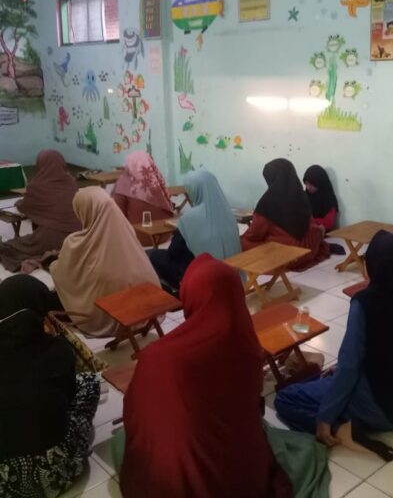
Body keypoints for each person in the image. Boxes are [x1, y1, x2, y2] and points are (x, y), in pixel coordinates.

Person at [120, 254, 294, 497]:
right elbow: (248, 409)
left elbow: (133, 411)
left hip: (168, 482)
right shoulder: (245, 342)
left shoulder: (157, 356)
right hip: (239, 480)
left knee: (124, 443)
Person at [275, 231, 393, 460]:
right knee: (327, 377)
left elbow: (349, 366)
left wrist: (326, 417)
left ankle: (342, 430)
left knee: (286, 397)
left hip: (380, 407)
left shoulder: (366, 303)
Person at [0, 275, 100, 498]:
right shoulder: (57, 349)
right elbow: (69, 394)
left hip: (4, 483)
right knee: (89, 383)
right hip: (55, 474)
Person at [50, 186, 161, 337]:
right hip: (149, 304)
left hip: (107, 315)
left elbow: (63, 275)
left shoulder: (74, 243)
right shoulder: (127, 229)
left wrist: (53, 266)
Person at [148, 169, 241, 291]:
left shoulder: (190, 218)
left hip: (201, 274)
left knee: (154, 255)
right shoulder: (228, 214)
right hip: (232, 272)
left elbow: (173, 252)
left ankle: (179, 290)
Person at [241, 159, 330, 270]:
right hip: (309, 248)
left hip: (289, 255)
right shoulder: (302, 196)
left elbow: (254, 235)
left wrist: (241, 238)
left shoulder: (268, 202)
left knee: (243, 243)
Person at [0, 150, 80, 271]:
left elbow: (24, 207)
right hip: (77, 237)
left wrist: (19, 203)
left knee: (10, 247)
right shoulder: (71, 183)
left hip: (51, 237)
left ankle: (44, 256)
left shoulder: (37, 185)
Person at [112, 151, 175, 246]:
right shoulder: (156, 180)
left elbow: (118, 213)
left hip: (138, 237)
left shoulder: (123, 183)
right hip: (165, 235)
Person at [303, 165, 339, 231]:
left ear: (320, 182)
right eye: (306, 183)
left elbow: (329, 223)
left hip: (323, 234)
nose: (308, 187)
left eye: (312, 184)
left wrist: (309, 221)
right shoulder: (304, 196)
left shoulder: (328, 199)